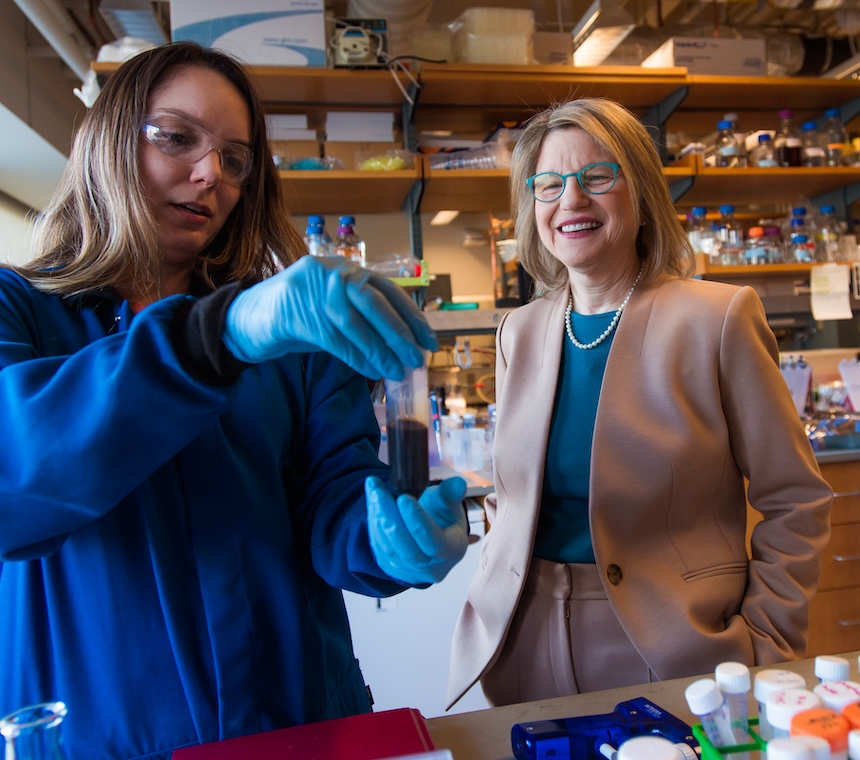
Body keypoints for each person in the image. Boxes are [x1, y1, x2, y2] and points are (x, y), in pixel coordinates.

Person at [0, 42, 469, 759]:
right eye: (177, 138)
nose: (209, 174)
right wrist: (218, 336)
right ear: (105, 142)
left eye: (236, 159)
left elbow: (335, 502)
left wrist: (387, 543)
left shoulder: (294, 340)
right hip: (103, 736)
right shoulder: (22, 311)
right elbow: (15, 482)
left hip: (300, 724)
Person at [446, 97, 832, 710]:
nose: (571, 201)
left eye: (597, 177)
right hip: (523, 641)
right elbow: (512, 493)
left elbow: (796, 498)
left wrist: (768, 638)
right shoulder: (519, 330)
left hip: (671, 645)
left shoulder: (717, 318)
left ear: (642, 193)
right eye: (549, 185)